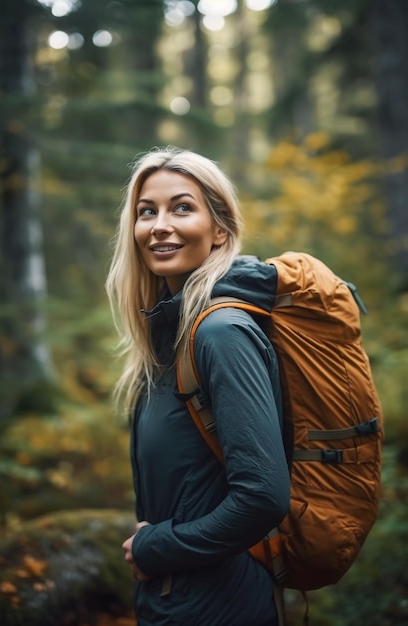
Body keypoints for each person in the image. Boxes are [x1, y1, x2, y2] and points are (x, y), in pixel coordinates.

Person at [106, 146, 291, 626]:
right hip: (178, 602)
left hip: (223, 606)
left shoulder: (220, 333)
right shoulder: (168, 340)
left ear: (221, 230)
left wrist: (156, 547)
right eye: (147, 212)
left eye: (182, 207)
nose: (159, 225)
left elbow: (263, 498)